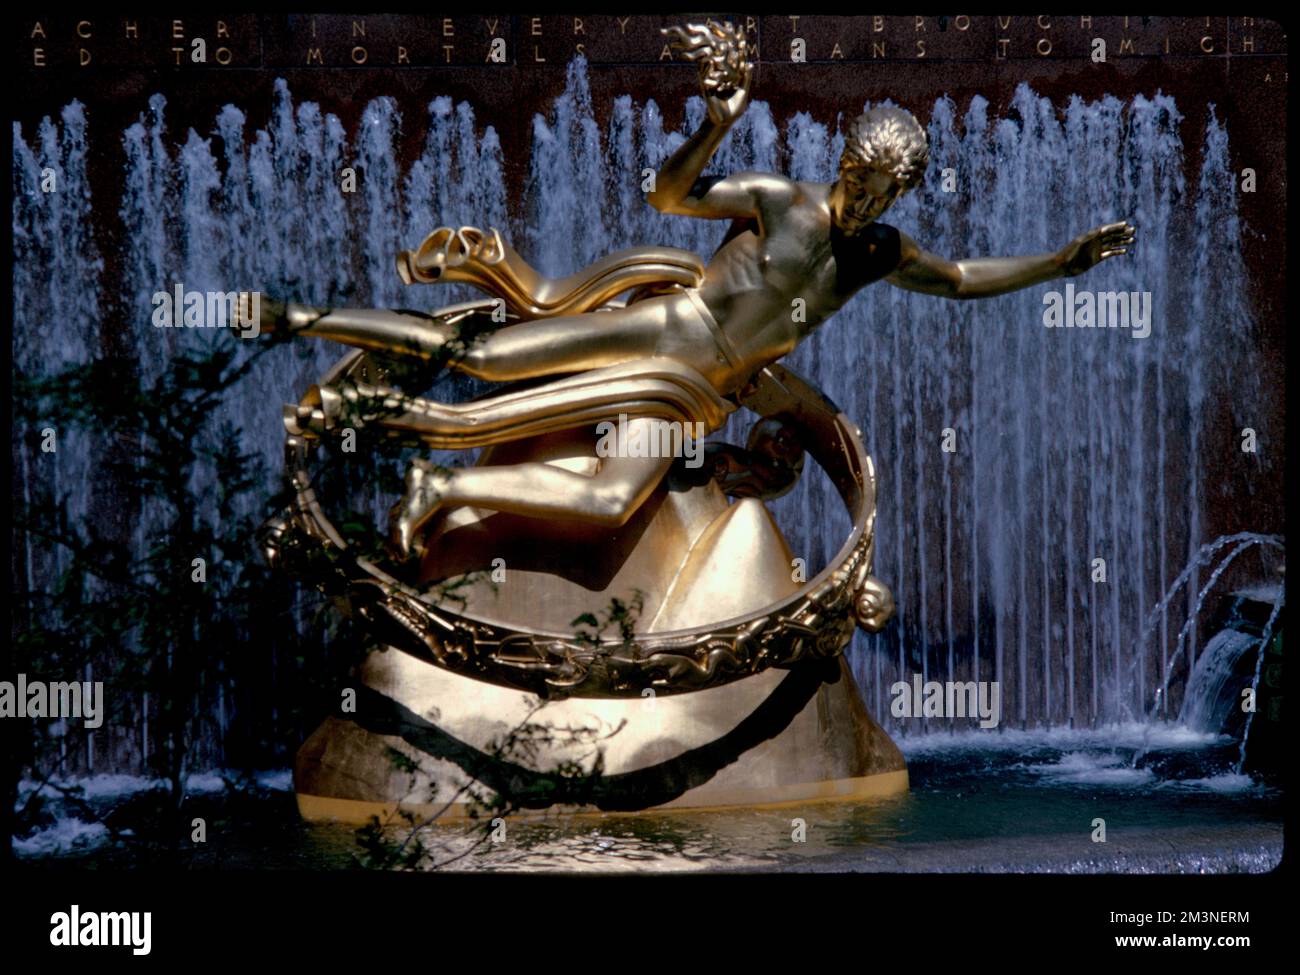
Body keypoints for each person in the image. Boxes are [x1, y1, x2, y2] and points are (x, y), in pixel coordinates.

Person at [262, 20, 1136, 559]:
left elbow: (957, 279)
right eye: (863, 178)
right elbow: (668, 196)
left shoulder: (876, 251)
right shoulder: (779, 201)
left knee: (607, 501)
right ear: (844, 158)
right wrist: (713, 124)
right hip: (663, 334)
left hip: (702, 397)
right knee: (489, 361)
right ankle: (308, 319)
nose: (867, 198)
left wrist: (1058, 264)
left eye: (884, 192)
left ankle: (444, 488)